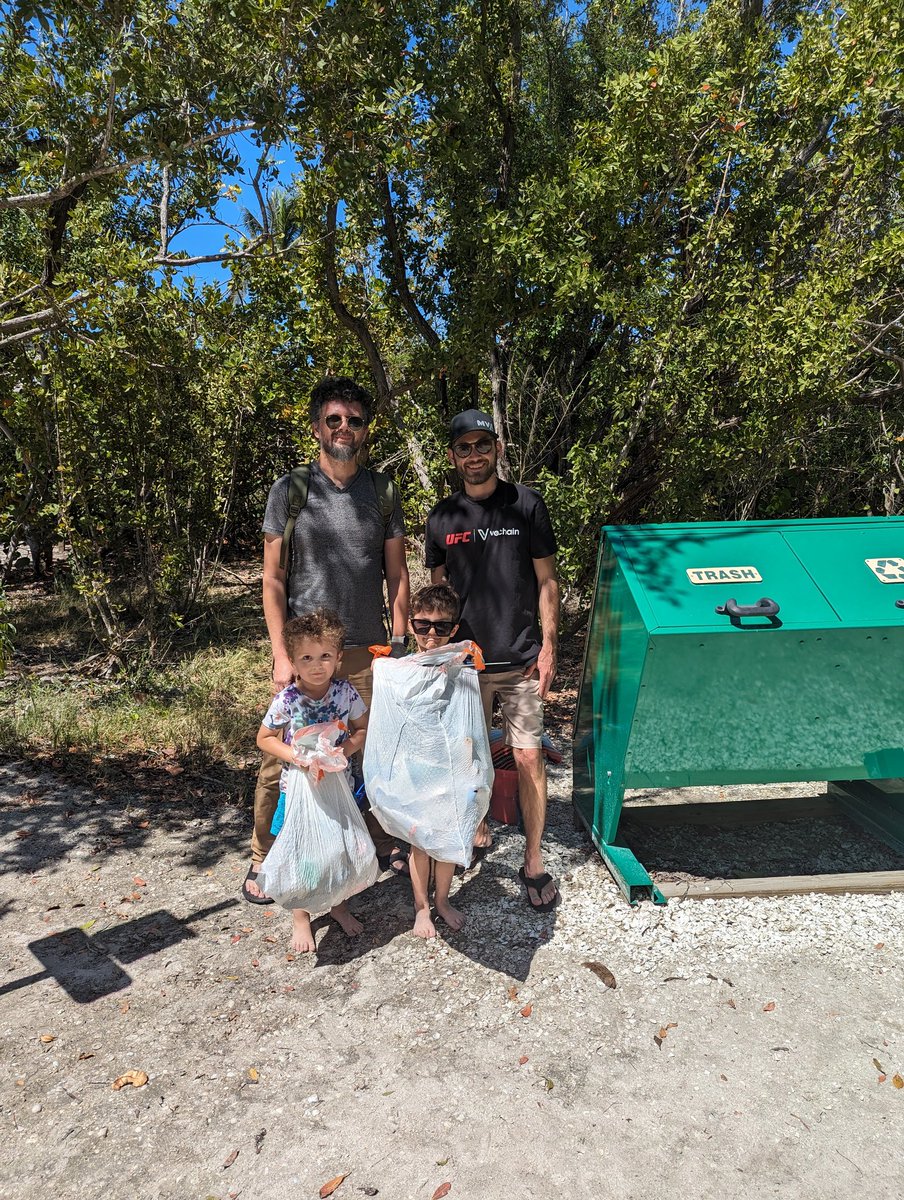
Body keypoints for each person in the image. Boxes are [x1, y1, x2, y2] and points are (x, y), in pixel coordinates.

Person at [243, 376, 411, 903]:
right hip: (304, 650)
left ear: (366, 429)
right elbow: (272, 578)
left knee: (369, 749)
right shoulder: (290, 490)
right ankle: (264, 856)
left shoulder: (382, 492)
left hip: (365, 646)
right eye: (333, 419)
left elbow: (398, 574)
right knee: (282, 757)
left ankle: (378, 839)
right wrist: (280, 654)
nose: (344, 428)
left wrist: (402, 643)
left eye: (354, 420)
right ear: (317, 426)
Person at [425, 409, 561, 912]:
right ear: (453, 456)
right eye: (465, 447)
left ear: (497, 449)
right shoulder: (442, 518)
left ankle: (533, 858)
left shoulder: (525, 504)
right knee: (467, 757)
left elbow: (548, 580)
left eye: (484, 444)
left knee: (527, 755)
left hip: (522, 660)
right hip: (465, 665)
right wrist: (434, 651)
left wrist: (549, 647)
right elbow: (436, 595)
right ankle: (474, 828)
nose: (475, 454)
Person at [256, 610, 369, 952]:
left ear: (338, 659)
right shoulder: (288, 699)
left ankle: (338, 905)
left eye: (325, 656)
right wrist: (296, 756)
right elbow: (265, 738)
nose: (316, 665)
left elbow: (363, 728)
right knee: (303, 851)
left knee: (337, 849)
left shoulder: (345, 693)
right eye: (306, 657)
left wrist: (344, 751)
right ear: (292, 661)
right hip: (298, 791)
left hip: (336, 787)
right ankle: (301, 915)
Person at [402, 583, 471, 939]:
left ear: (454, 630)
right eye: (423, 624)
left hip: (451, 768)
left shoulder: (461, 666)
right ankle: (421, 908)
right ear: (410, 624)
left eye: (442, 627)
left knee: (447, 838)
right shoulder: (401, 668)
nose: (432, 633)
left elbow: (470, 720)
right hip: (416, 768)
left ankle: (442, 900)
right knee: (420, 841)